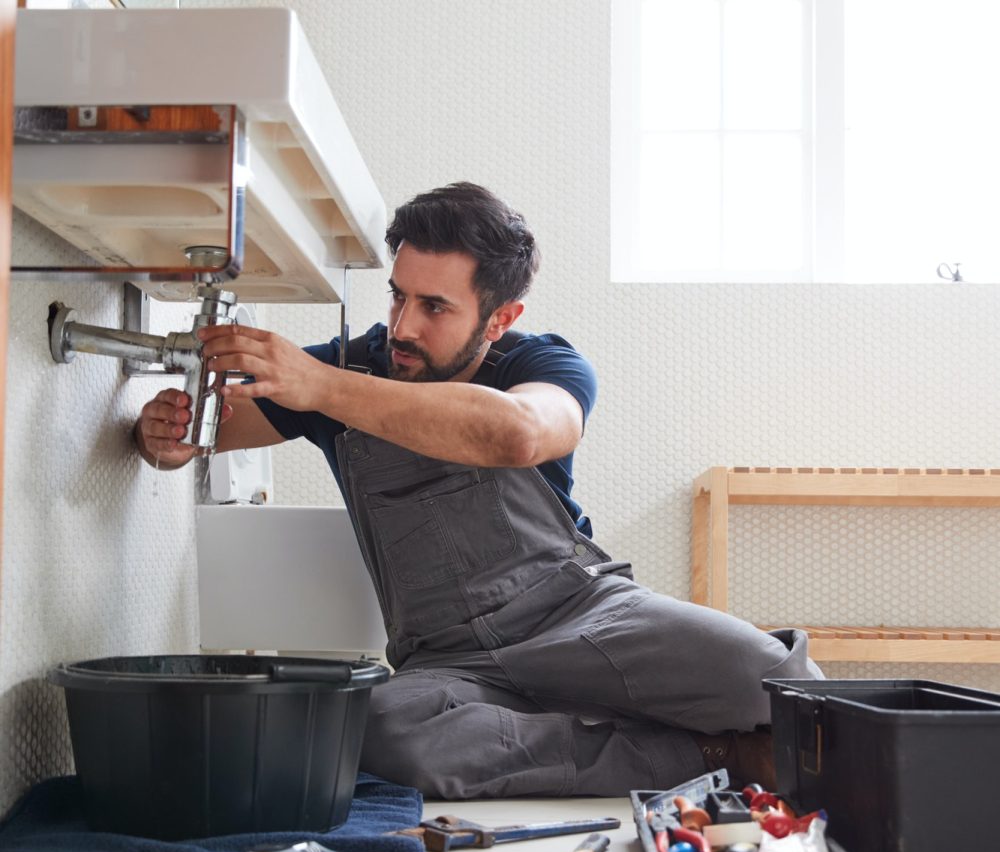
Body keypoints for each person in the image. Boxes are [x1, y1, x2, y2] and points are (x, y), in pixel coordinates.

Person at [135, 182, 822, 798]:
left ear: (500, 318)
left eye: (434, 306)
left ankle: (573, 726)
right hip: (448, 659)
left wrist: (323, 387)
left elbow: (520, 433)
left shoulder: (543, 363)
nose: (402, 327)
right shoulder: (352, 367)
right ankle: (709, 755)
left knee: (782, 685)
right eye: (398, 295)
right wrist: (162, 434)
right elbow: (205, 431)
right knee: (383, 729)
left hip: (581, 615)